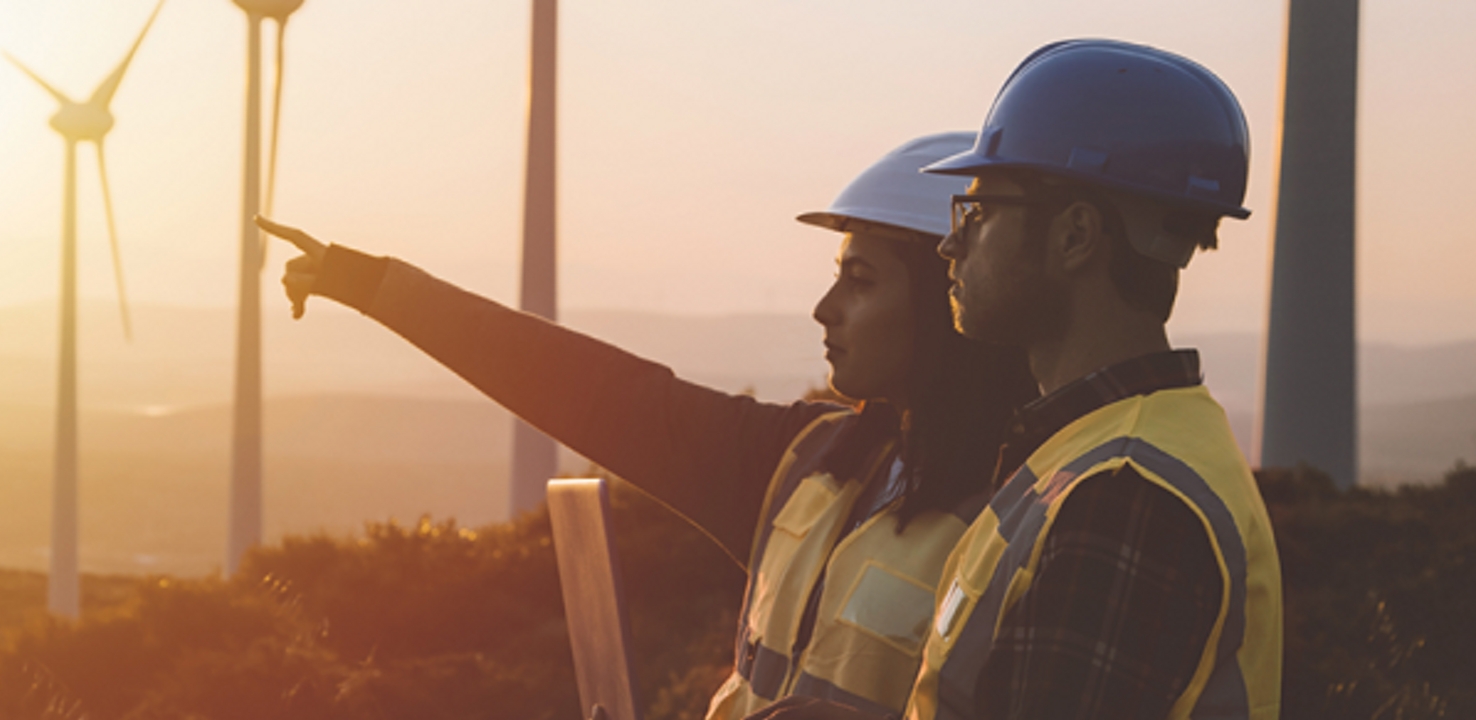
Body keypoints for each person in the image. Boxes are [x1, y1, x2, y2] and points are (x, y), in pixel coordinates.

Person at [258, 131, 1038, 720]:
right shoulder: (805, 461)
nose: (824, 309)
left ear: (948, 298)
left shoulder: (1027, 514)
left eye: (860, 282)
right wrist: (371, 286)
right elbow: (590, 390)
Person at [749, 40, 1283, 720]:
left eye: (978, 212)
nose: (951, 244)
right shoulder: (1097, 452)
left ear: (1075, 236)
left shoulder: (1123, 498)